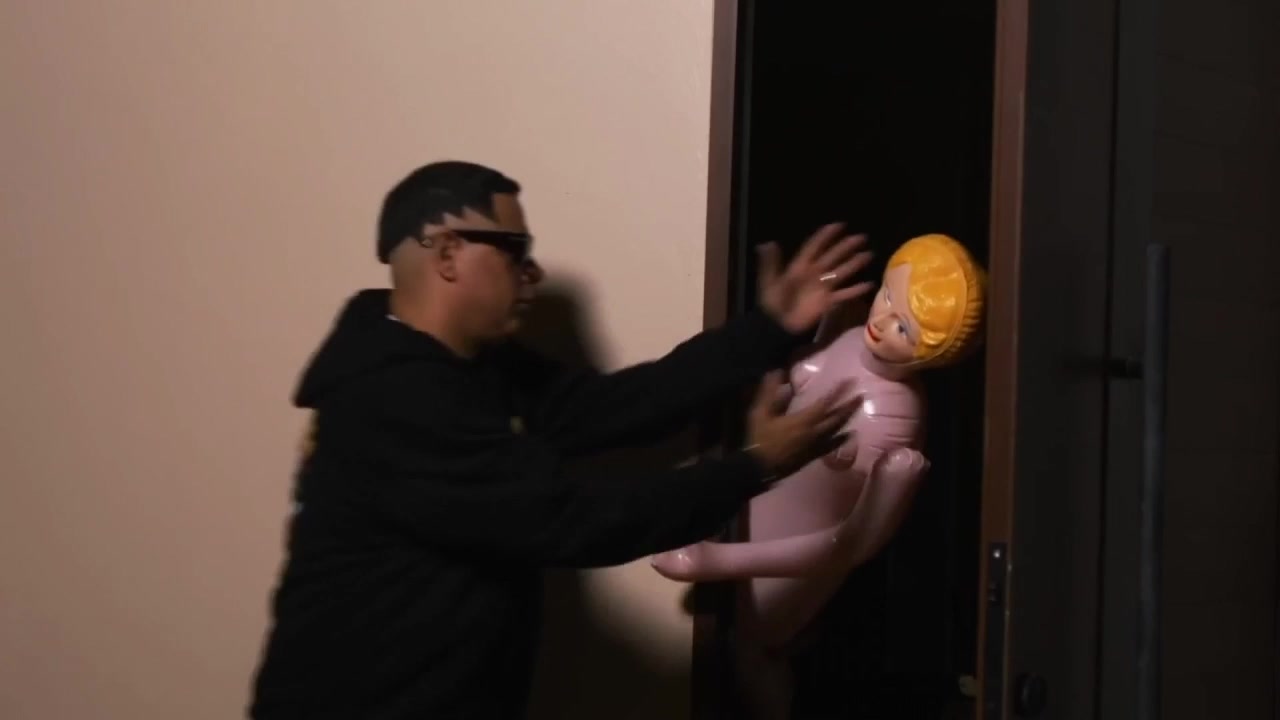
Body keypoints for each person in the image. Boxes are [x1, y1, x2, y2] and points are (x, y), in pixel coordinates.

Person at [248, 160, 876, 719]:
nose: (533, 271)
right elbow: (574, 520)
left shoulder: (474, 369)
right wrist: (754, 466)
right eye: (515, 249)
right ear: (447, 254)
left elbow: (617, 407)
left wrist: (767, 328)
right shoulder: (393, 398)